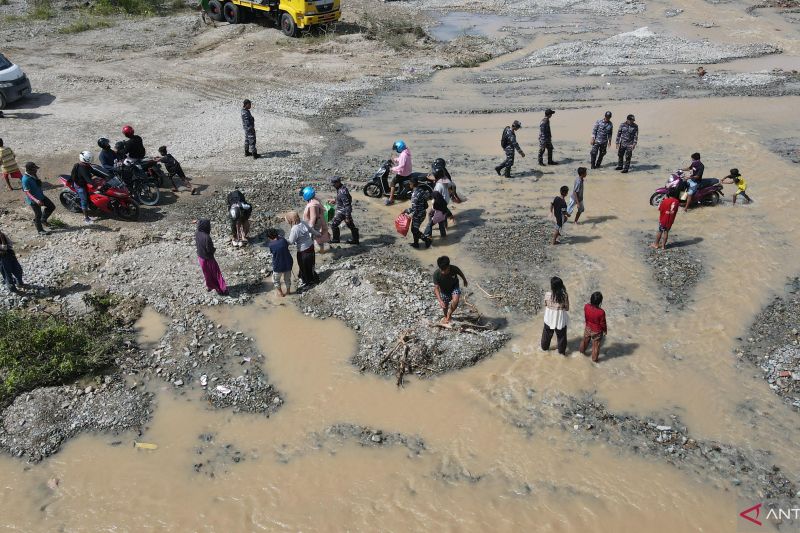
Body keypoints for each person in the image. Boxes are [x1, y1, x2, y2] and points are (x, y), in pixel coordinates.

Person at [285, 211, 321, 288]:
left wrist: (282, 240)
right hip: (311, 246)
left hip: (303, 251)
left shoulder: (294, 229)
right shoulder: (303, 222)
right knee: (310, 264)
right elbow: (311, 230)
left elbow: (291, 242)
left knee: (303, 266)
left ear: (291, 220)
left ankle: (308, 282)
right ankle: (309, 276)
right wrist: (318, 234)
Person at [21, 162, 56, 236]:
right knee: (38, 214)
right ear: (29, 170)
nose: (36, 170)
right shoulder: (25, 179)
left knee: (51, 207)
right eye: (35, 169)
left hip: (41, 196)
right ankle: (40, 230)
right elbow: (27, 193)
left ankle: (43, 220)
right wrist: (36, 200)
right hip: (34, 200)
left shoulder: (33, 175)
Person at [195, 219, 228, 296]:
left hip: (201, 258)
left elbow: (198, 245)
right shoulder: (207, 237)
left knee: (207, 273)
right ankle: (222, 289)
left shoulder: (197, 233)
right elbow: (210, 249)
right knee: (216, 274)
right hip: (209, 259)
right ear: (207, 227)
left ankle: (210, 286)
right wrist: (214, 249)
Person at [433, 256, 468, 324]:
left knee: (455, 301)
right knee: (444, 306)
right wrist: (440, 301)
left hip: (454, 287)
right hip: (444, 291)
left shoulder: (454, 268)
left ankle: (450, 314)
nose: (443, 272)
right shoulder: (436, 274)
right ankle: (446, 316)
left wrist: (464, 280)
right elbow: (436, 288)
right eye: (442, 270)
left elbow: (460, 273)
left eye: (445, 270)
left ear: (449, 266)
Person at [541, 276, 569, 355]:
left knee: (546, 335)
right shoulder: (564, 296)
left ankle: (544, 349)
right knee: (561, 337)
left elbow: (545, 304)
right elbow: (567, 308)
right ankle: (561, 353)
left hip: (549, 318)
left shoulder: (547, 294)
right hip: (560, 319)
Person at [328, 176, 359, 245]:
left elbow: (347, 205)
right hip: (345, 211)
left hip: (343, 212)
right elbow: (346, 199)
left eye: (334, 184)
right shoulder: (342, 188)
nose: (333, 186)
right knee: (351, 225)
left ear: (338, 182)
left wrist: (347, 216)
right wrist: (335, 200)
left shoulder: (342, 192)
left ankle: (336, 239)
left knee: (333, 225)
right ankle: (356, 240)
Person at [70, 151, 98, 224]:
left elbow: (94, 171)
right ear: (85, 159)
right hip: (80, 186)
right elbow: (88, 180)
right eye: (90, 158)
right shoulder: (82, 168)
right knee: (84, 201)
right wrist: (97, 184)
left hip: (84, 183)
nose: (91, 159)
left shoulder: (86, 165)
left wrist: (105, 176)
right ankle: (86, 218)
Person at [424, 168, 452, 239]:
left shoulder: (438, 186)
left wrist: (432, 207)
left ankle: (428, 235)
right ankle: (444, 234)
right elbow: (450, 185)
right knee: (441, 220)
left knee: (430, 216)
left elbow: (436, 197)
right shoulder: (445, 180)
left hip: (439, 204)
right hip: (445, 203)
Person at [579, 291, 607, 363]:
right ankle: (594, 360)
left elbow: (586, 317)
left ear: (591, 299)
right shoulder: (601, 312)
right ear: (600, 302)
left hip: (588, 327)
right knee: (596, 345)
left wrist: (587, 324)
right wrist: (605, 330)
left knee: (585, 341)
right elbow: (602, 323)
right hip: (597, 331)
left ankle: (581, 353)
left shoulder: (586, 306)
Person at [301, 185, 330, 252]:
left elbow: (313, 216)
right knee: (318, 235)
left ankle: (318, 250)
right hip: (319, 220)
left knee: (314, 237)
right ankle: (320, 249)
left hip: (315, 223)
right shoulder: (315, 200)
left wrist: (310, 228)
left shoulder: (312, 205)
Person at [406, 176, 431, 249]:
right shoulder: (421, 190)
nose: (409, 185)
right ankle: (416, 243)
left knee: (414, 230)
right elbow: (427, 198)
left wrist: (406, 211)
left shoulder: (415, 195)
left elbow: (414, 209)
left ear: (412, 184)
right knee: (415, 229)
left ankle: (427, 240)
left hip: (418, 214)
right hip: (423, 213)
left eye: (409, 183)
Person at [266, 228, 293, 297]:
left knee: (276, 280)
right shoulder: (283, 240)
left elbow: (272, 252)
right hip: (288, 263)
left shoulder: (271, 245)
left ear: (269, 237)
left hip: (278, 266)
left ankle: (281, 294)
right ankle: (288, 292)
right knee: (287, 279)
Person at [386, 140, 411, 206]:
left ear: (399, 147)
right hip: (408, 171)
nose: (396, 149)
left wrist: (392, 169)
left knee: (393, 182)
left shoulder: (403, 154)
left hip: (404, 173)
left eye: (396, 148)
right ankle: (400, 191)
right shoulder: (406, 151)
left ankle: (390, 200)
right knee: (398, 181)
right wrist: (395, 159)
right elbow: (402, 160)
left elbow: (401, 166)